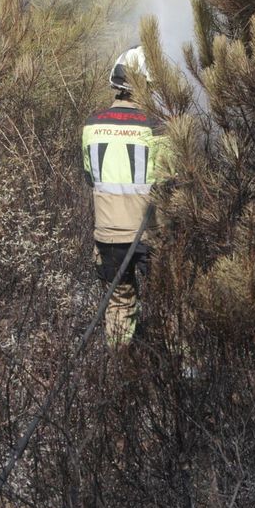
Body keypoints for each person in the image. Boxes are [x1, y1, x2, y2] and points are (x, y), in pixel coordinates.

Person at [82, 46, 167, 349]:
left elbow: (90, 176)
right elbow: (172, 180)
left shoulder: (92, 126)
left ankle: (121, 376)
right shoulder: (156, 127)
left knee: (118, 305)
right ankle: (177, 378)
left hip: (106, 236)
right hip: (150, 237)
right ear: (146, 85)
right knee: (171, 305)